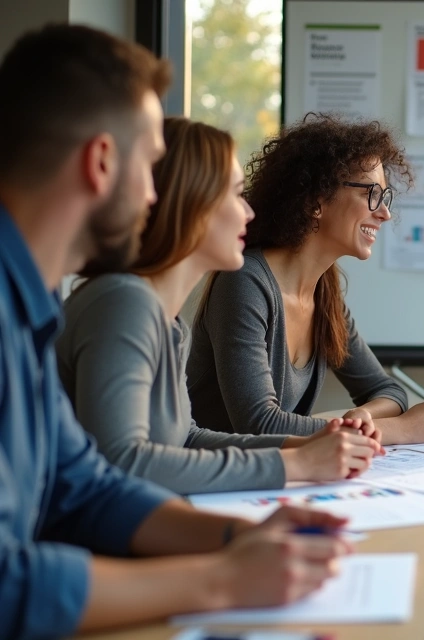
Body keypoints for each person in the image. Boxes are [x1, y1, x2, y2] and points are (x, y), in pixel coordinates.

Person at [0, 25, 350, 637]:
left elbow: (83, 484)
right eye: (153, 166)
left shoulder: (30, 308)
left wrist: (240, 536)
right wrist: (223, 578)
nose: (155, 193)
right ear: (102, 162)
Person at [57, 117, 380, 495]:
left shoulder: (167, 320)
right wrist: (295, 463)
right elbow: (124, 463)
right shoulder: (123, 305)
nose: (249, 212)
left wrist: (305, 446)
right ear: (188, 203)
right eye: (234, 194)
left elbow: (184, 439)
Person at [188, 114, 424, 444]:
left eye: (385, 198)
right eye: (372, 193)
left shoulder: (325, 292)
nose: (385, 213)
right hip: (220, 485)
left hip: (278, 477)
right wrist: (398, 430)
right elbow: (258, 423)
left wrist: (364, 418)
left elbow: (387, 390)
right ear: (317, 199)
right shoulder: (244, 283)